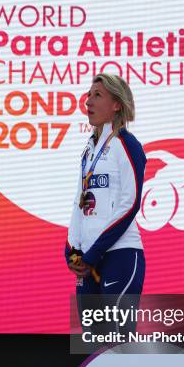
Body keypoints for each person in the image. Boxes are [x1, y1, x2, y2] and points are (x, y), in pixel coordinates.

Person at [65, 73, 146, 336]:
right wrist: (72, 251)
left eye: (97, 95)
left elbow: (130, 204)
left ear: (116, 104)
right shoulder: (88, 149)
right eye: (88, 95)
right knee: (92, 348)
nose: (88, 101)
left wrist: (94, 252)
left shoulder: (128, 144)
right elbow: (80, 204)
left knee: (118, 343)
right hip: (88, 259)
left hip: (120, 255)